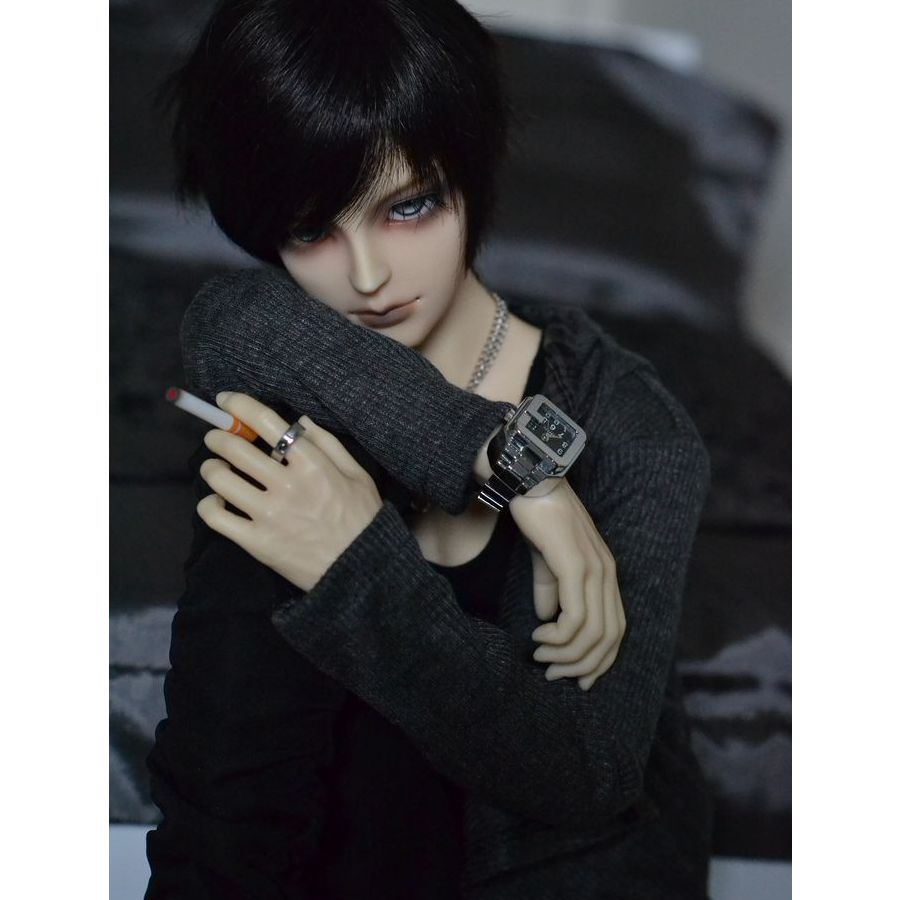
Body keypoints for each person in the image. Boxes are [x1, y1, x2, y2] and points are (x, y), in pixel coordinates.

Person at [144, 2, 714, 898]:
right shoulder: (282, 389)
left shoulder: (629, 425)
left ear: (472, 172)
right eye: (311, 230)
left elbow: (586, 773)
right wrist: (508, 464)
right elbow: (224, 807)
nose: (368, 278)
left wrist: (352, 566)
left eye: (409, 207)